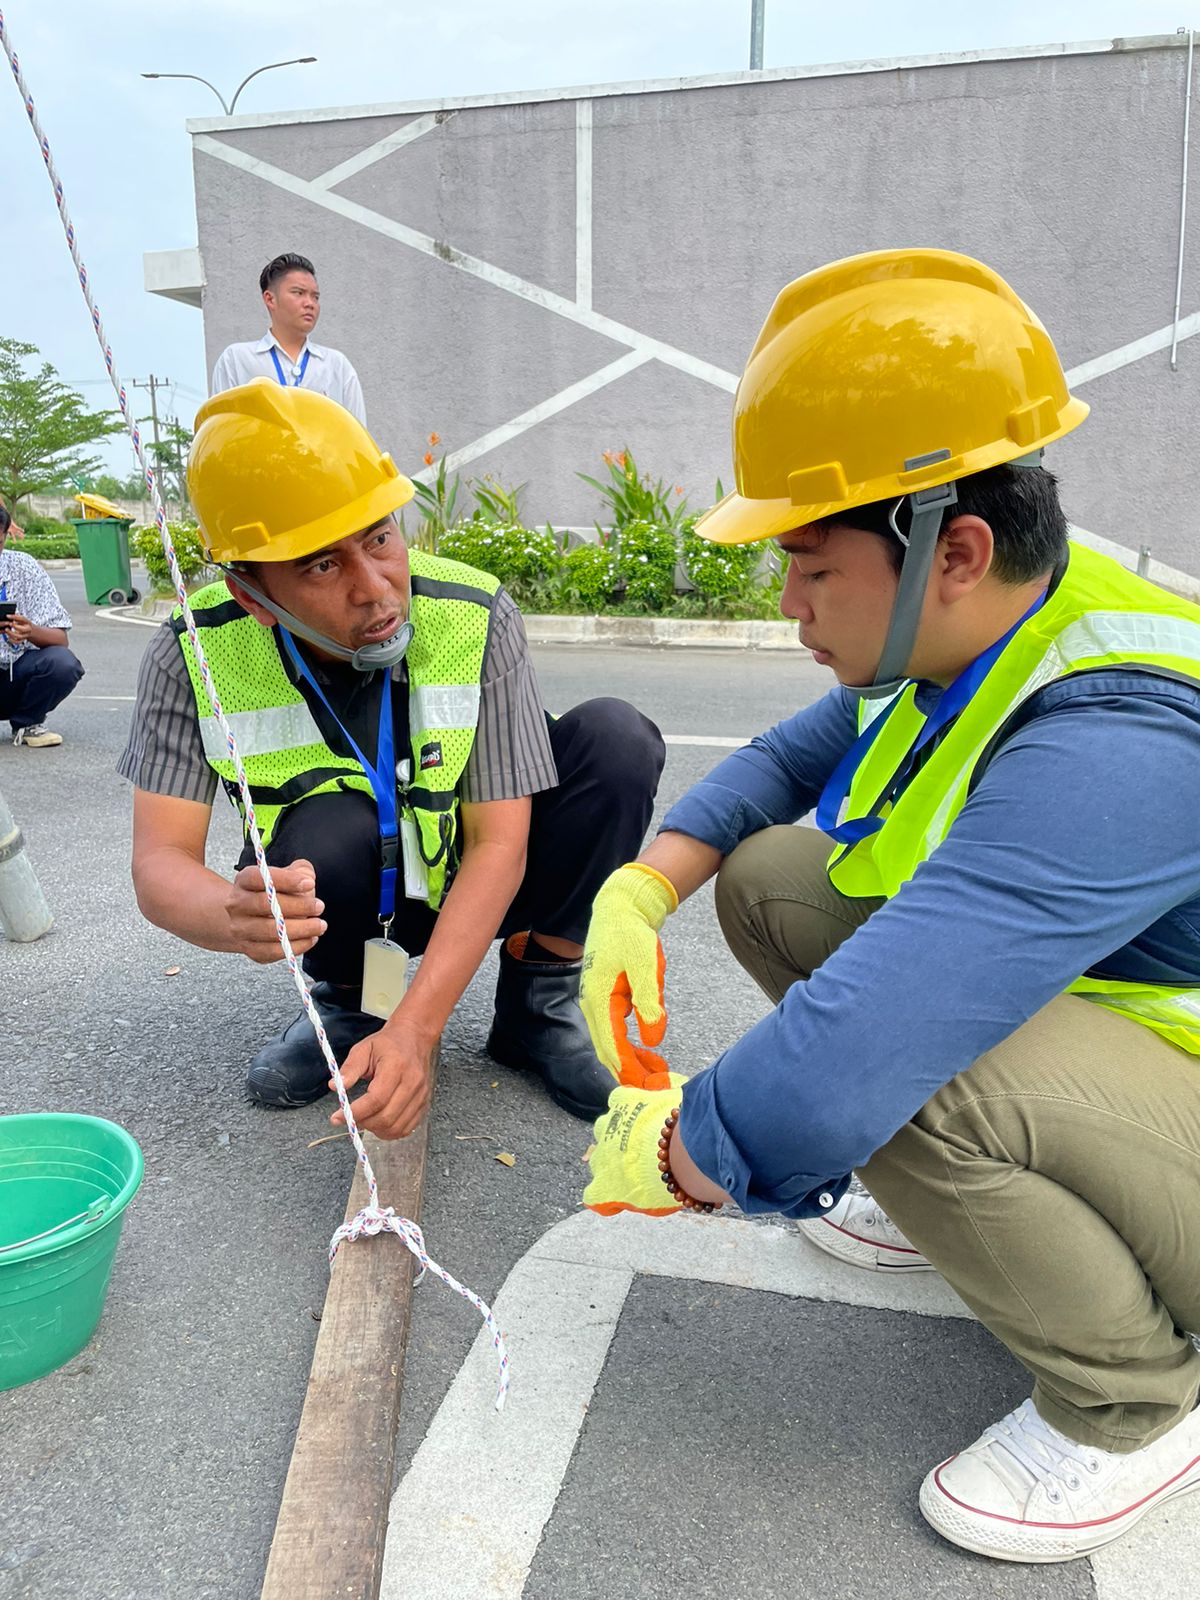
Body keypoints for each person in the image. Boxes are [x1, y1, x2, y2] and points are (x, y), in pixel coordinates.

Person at [578, 248, 1200, 1564]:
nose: (789, 604)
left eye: (809, 567)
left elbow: (853, 1054)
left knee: (894, 1073)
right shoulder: (985, 621)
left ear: (954, 549)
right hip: (1123, 1048)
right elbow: (790, 761)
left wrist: (681, 1157)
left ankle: (1133, 1403)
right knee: (770, 885)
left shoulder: (1126, 734)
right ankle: (970, 1211)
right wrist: (644, 888)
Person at [118, 381, 663, 1130]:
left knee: (617, 742)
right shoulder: (193, 653)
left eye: (379, 538)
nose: (376, 590)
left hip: (480, 880)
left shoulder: (473, 613)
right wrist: (226, 912)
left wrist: (420, 1030)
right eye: (320, 566)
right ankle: (352, 1008)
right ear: (251, 594)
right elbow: (159, 865)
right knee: (325, 832)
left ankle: (537, 1000)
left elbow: (500, 844)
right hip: (344, 894)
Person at [210, 253, 367, 425]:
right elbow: (222, 432)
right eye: (299, 293)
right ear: (270, 299)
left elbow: (357, 438)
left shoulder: (336, 365)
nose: (310, 303)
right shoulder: (237, 360)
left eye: (315, 296)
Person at [0, 502, 84, 747]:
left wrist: (31, 631)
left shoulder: (24, 567)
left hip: (16, 674)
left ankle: (27, 723)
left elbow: (61, 640)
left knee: (62, 663)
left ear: (6, 535)